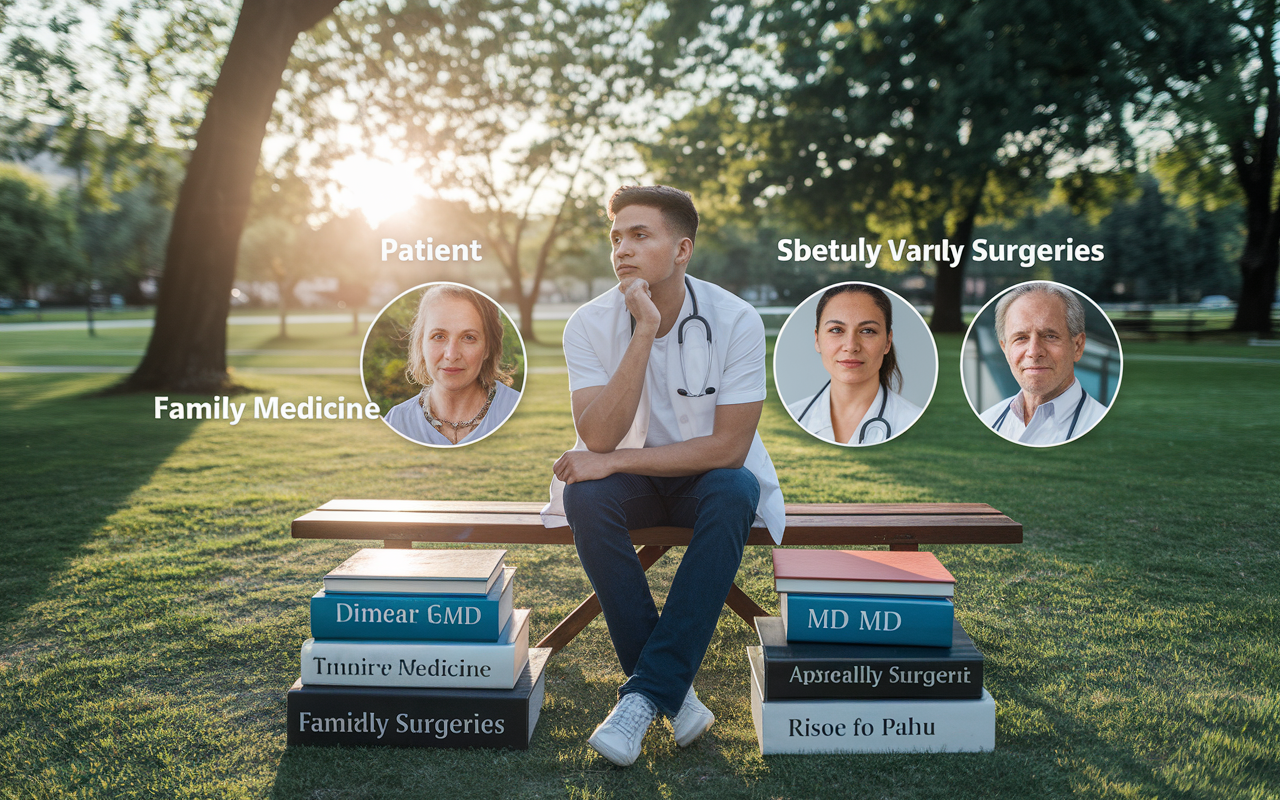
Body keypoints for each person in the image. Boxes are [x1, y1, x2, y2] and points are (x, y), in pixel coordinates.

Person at [540, 185, 784, 766]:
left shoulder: (736, 319)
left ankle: (644, 695)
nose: (622, 249)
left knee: (735, 489)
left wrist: (616, 460)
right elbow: (597, 437)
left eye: (639, 235)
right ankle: (673, 694)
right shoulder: (590, 323)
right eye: (616, 236)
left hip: (707, 481)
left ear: (682, 249)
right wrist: (643, 329)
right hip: (633, 491)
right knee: (588, 497)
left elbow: (727, 448)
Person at [383, 283, 521, 446]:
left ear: (487, 348)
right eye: (439, 336)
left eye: (468, 337)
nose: (451, 355)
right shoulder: (398, 422)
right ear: (421, 344)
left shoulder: (516, 410)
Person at [786, 283, 923, 445]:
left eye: (867, 331)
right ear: (817, 340)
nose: (851, 346)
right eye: (836, 330)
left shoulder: (911, 420)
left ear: (887, 342)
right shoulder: (795, 414)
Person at [978, 282, 1108, 445]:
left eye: (1050, 336)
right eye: (1021, 338)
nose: (1033, 351)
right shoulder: (990, 420)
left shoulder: (1100, 426)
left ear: (1077, 346)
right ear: (1005, 349)